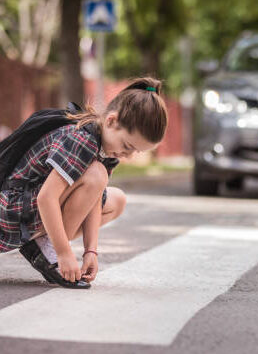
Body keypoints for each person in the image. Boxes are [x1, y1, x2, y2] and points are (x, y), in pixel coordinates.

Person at [0, 76, 168, 288]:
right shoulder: (82, 140)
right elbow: (46, 197)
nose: (128, 155)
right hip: (11, 212)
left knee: (117, 200)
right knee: (97, 174)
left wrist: (91, 251)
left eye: (136, 151)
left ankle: (45, 242)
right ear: (111, 121)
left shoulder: (106, 148)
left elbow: (94, 200)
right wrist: (64, 253)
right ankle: (48, 246)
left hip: (27, 210)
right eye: (127, 146)